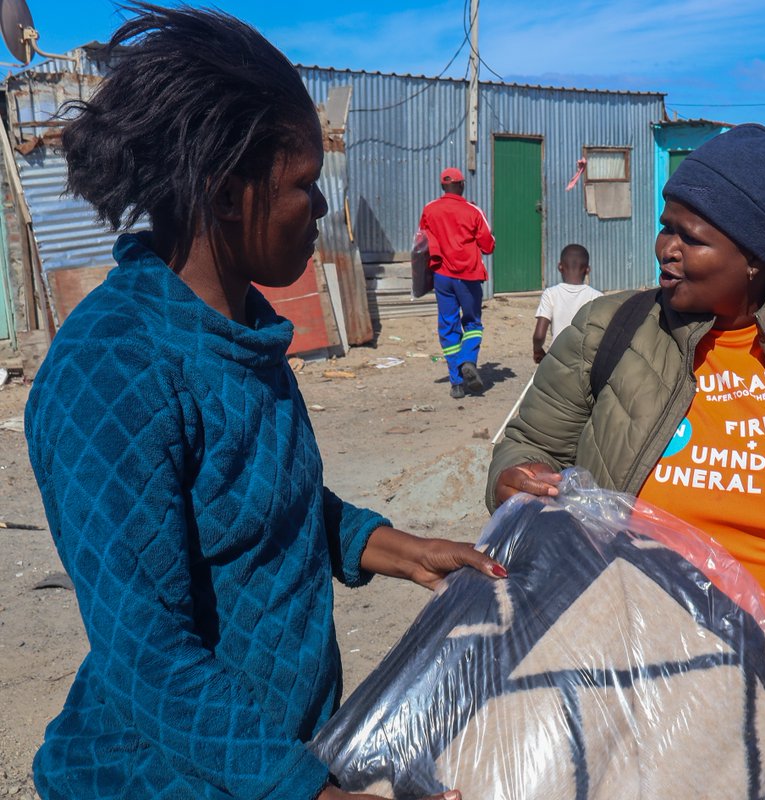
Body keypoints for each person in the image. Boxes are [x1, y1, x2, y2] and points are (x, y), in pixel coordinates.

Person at [25, 6, 504, 799]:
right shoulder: (113, 368)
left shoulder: (243, 328)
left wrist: (392, 546)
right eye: (303, 186)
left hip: (273, 754)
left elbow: (263, 506)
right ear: (223, 194)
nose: (318, 211)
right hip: (163, 778)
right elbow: (146, 651)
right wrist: (308, 790)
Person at [485, 124, 765, 790]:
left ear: (755, 256)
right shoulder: (610, 331)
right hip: (612, 645)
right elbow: (528, 443)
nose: (664, 249)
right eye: (666, 226)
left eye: (689, 237)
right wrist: (512, 480)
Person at [419, 167, 496, 398]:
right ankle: (467, 361)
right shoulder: (472, 210)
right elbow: (488, 246)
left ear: (443, 186)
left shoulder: (429, 209)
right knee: (472, 323)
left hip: (442, 277)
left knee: (448, 326)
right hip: (469, 276)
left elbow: (422, 241)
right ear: (462, 185)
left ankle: (457, 384)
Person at [532, 244, 602, 363]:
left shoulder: (550, 294)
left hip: (557, 360)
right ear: (588, 270)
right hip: (584, 363)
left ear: (560, 267)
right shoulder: (597, 297)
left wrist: (537, 350)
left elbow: (539, 335)